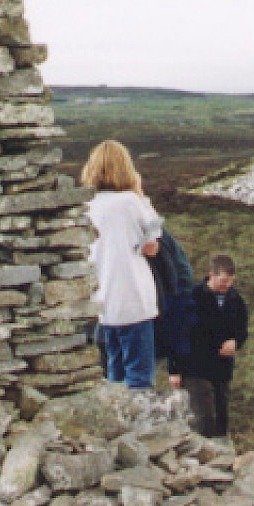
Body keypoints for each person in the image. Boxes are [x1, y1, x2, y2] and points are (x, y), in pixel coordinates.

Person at [83, 140, 164, 389]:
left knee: (114, 376)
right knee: (138, 377)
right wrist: (142, 196)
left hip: (104, 305)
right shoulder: (131, 202)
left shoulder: (88, 206)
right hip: (134, 301)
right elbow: (153, 244)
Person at [168, 255, 249, 438]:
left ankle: (222, 459)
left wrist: (236, 342)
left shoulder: (236, 300)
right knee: (204, 419)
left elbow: (242, 331)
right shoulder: (192, 297)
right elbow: (177, 334)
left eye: (230, 281)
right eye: (223, 281)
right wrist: (174, 370)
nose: (226, 285)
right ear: (211, 275)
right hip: (194, 368)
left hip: (222, 370)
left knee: (221, 419)